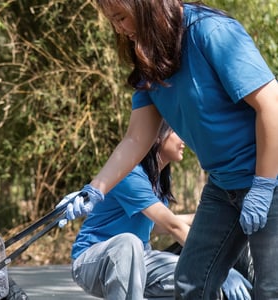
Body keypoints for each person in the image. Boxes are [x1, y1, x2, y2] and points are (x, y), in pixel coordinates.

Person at [58, 1, 278, 298]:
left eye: (122, 18)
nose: (120, 29)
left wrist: (264, 185)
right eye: (113, 22)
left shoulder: (210, 32)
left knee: (270, 287)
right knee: (191, 283)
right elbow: (136, 139)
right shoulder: (150, 58)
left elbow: (271, 106)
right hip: (223, 185)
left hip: (269, 177)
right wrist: (94, 190)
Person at [59, 122, 253, 299]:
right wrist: (220, 269)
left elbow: (156, 226)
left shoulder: (160, 179)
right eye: (177, 132)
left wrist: (203, 220)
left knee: (193, 276)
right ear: (158, 136)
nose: (184, 140)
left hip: (140, 259)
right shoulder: (130, 174)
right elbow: (171, 225)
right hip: (91, 260)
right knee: (129, 242)